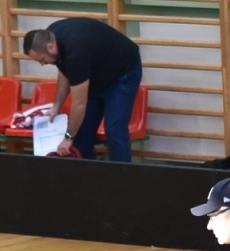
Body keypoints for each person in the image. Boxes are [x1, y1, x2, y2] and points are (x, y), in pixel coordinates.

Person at [21, 18, 143, 162]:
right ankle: (84, 177)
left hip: (123, 73)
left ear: (50, 47)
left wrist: (68, 137)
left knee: (114, 130)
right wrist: (56, 106)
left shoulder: (76, 52)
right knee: (82, 130)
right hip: (96, 72)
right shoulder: (52, 36)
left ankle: (124, 179)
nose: (42, 64)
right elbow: (65, 72)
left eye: (42, 59)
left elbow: (79, 104)